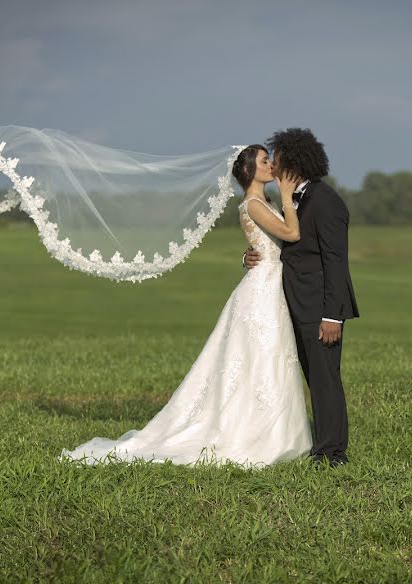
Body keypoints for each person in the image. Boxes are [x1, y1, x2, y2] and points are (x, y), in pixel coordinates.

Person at [59, 144, 312, 468]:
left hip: (269, 286)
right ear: (249, 170)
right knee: (262, 357)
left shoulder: (266, 202)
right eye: (265, 161)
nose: (272, 166)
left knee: (270, 359)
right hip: (261, 292)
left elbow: (266, 244)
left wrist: (248, 250)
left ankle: (279, 434)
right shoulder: (253, 203)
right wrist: (290, 195)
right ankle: (255, 437)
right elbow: (291, 233)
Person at [244, 128, 359, 467]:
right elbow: (278, 244)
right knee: (312, 378)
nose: (273, 165)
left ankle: (332, 453)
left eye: (276, 159)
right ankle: (321, 445)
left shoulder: (325, 201)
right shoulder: (292, 198)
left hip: (318, 309)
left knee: (325, 380)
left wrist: (333, 315)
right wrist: (249, 255)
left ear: (292, 162)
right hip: (290, 303)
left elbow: (336, 262)